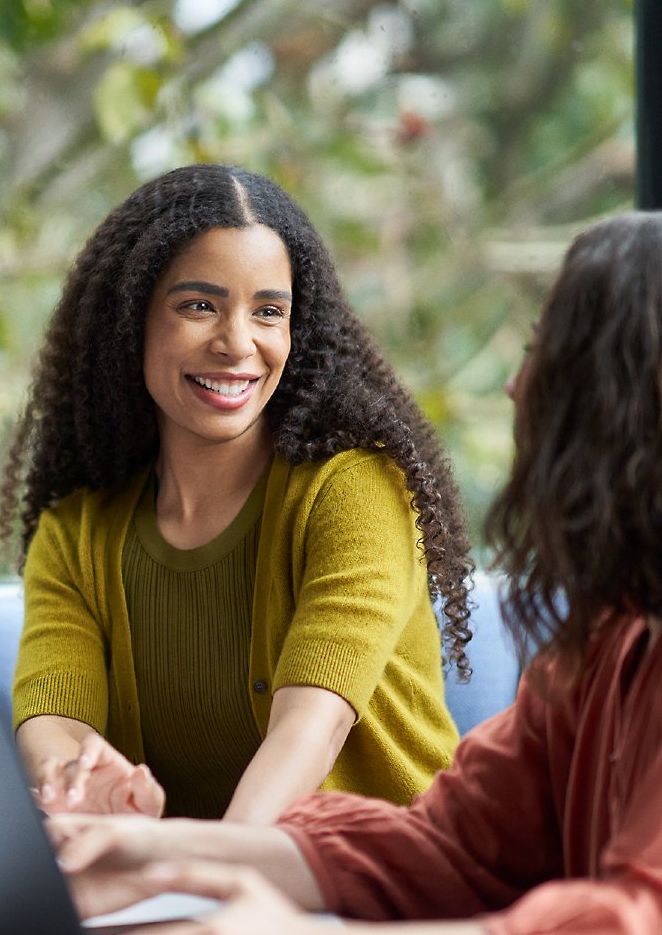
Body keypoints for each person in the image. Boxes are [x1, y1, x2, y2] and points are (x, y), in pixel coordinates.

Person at [49, 210, 662, 933]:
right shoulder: (609, 635)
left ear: (622, 405)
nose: (515, 386)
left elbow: (632, 918)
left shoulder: (353, 489)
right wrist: (149, 853)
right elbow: (450, 845)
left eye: (546, 358)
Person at [1, 163, 473, 823]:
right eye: (199, 306)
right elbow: (51, 717)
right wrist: (79, 778)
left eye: (269, 313)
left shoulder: (357, 491)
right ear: (128, 322)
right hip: (196, 891)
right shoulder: (76, 532)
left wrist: (210, 869)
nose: (237, 343)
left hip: (391, 887)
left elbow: (311, 728)